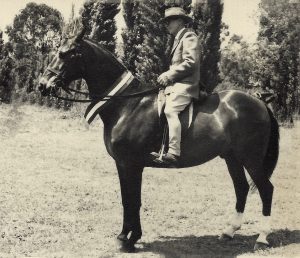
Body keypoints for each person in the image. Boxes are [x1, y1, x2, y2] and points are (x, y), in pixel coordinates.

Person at [151, 7, 201, 167]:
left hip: (186, 85)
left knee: (170, 110)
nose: (167, 25)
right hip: (176, 84)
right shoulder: (178, 39)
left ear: (180, 21)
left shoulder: (189, 36)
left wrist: (169, 75)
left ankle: (173, 152)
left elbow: (191, 62)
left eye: (170, 21)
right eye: (165, 22)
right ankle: (160, 147)